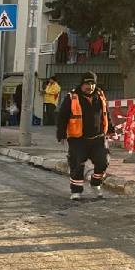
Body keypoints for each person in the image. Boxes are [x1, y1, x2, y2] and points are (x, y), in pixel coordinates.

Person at [57, 71, 111, 200]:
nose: (90, 86)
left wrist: (111, 129)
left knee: (103, 162)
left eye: (92, 83)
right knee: (77, 164)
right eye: (87, 83)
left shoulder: (100, 95)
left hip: (98, 138)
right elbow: (62, 116)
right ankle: (76, 191)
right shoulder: (72, 97)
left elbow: (105, 114)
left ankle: (96, 183)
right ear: (81, 84)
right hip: (78, 139)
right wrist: (61, 134)